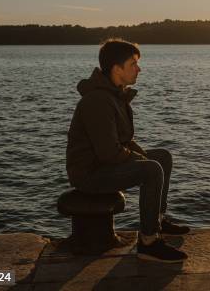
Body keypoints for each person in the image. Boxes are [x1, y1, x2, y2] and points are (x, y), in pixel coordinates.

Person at [66, 38, 189, 263]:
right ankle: (148, 242)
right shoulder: (98, 101)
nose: (139, 69)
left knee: (162, 157)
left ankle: (157, 222)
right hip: (90, 174)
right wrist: (140, 162)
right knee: (152, 170)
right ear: (116, 68)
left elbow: (125, 141)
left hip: (105, 164)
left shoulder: (116, 95)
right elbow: (109, 153)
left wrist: (140, 157)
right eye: (133, 64)